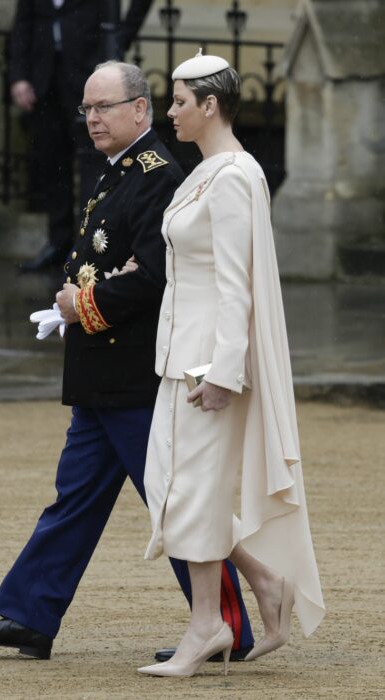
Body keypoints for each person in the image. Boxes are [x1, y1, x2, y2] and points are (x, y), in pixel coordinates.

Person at [0, 61, 254, 662]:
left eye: (104, 107)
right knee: (75, 499)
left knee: (176, 504)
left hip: (135, 371)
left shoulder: (159, 175)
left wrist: (80, 306)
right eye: (86, 109)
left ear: (139, 110)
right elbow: (98, 259)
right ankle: (30, 616)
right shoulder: (118, 170)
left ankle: (233, 625)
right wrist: (69, 309)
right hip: (101, 371)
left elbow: (154, 280)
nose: (92, 119)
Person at [137, 51, 326, 678]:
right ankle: (267, 584)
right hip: (177, 354)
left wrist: (222, 371)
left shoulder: (238, 175)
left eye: (179, 101)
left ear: (209, 105)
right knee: (171, 485)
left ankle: (207, 626)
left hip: (206, 361)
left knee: (190, 492)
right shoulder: (204, 172)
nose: (170, 111)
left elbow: (236, 284)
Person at [12, 0, 154, 272]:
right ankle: (58, 242)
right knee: (51, 161)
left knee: (95, 165)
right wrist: (19, 75)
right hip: (45, 76)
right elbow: (23, 22)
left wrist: (119, 39)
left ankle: (88, 248)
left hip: (89, 70)